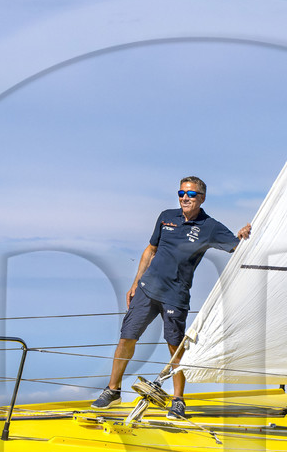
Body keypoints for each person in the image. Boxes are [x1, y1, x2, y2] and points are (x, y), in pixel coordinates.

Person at [92, 176, 251, 419]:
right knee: (126, 339)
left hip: (175, 296)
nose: (185, 198)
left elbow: (236, 247)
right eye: (181, 193)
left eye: (191, 194)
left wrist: (244, 235)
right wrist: (135, 283)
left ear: (202, 198)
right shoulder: (166, 216)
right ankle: (113, 390)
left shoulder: (210, 226)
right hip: (146, 290)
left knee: (175, 349)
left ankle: (178, 400)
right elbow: (150, 250)